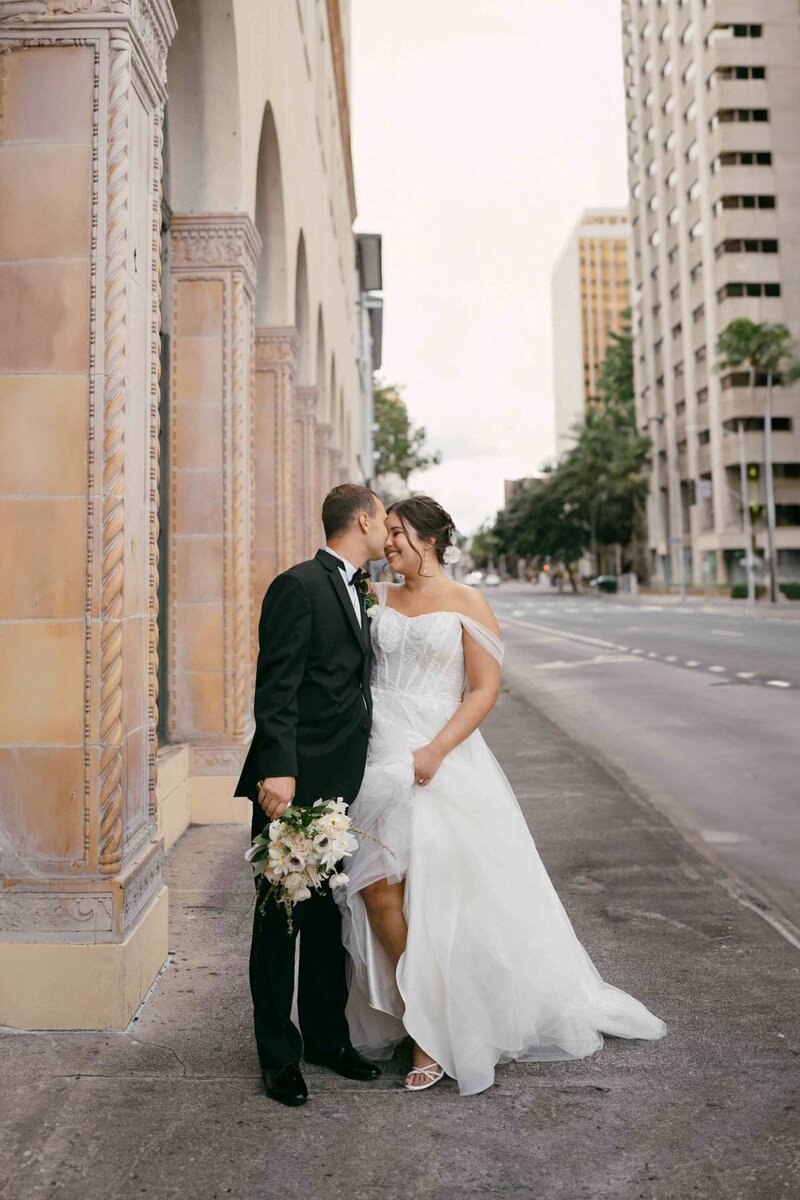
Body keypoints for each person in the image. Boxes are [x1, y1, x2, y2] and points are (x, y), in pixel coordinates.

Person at [337, 495, 667, 1095]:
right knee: (377, 889)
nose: (387, 543)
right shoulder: (373, 597)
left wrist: (436, 750)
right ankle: (424, 1013)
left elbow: (484, 690)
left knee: (440, 892)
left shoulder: (469, 603)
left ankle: (433, 1033)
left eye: (396, 533)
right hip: (378, 751)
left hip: (441, 754)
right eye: (384, 533)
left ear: (429, 539)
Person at [235, 483, 388, 1107]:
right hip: (291, 785)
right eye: (383, 521)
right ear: (361, 519)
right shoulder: (297, 585)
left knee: (328, 918)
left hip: (343, 784)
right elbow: (276, 687)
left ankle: (327, 1038)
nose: (388, 533)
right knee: (279, 921)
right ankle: (278, 1055)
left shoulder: (361, 590)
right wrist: (278, 769)